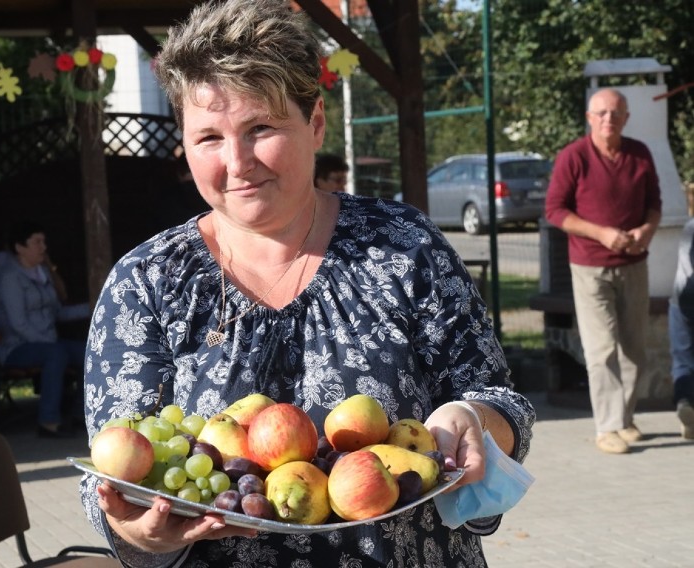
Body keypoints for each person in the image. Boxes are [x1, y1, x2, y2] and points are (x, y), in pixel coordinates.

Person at [80, 1, 535, 566]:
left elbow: (501, 401)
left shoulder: (402, 246)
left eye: (260, 128)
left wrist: (475, 419)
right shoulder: (147, 283)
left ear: (315, 122)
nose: (238, 162)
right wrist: (139, 534)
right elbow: (112, 469)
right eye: (209, 139)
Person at [545, 87, 662, 455]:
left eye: (616, 113)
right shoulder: (573, 157)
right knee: (602, 349)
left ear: (626, 118)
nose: (609, 119)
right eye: (601, 113)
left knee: (634, 348)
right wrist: (602, 234)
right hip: (590, 266)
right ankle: (606, 427)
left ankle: (624, 420)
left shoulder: (639, 154)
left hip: (634, 264)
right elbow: (555, 210)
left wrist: (645, 232)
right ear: (589, 118)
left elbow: (654, 204)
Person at [0, 221, 88, 438]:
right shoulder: (10, 278)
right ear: (20, 247)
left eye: (43, 241)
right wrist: (49, 344)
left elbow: (58, 314)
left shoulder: (42, 273)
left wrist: (91, 307)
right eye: (37, 242)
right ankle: (48, 422)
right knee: (56, 354)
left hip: (48, 343)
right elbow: (18, 325)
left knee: (88, 351)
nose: (43, 247)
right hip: (16, 347)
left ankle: (81, 413)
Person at [669, 216, 694, 439]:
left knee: (683, 359)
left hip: (680, 301)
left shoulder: (689, 227)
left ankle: (685, 402)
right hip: (687, 298)